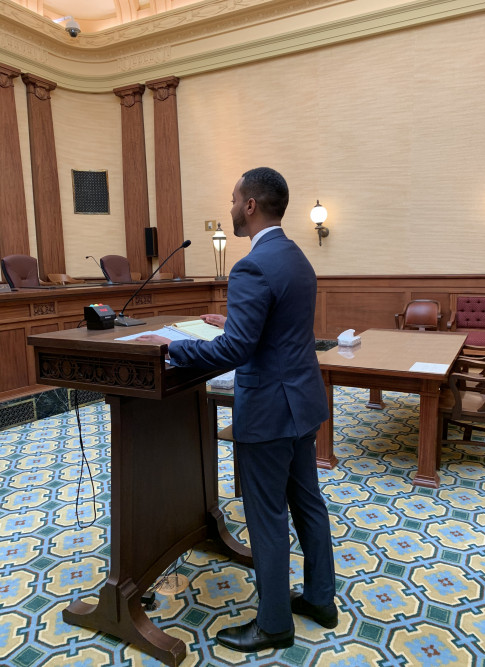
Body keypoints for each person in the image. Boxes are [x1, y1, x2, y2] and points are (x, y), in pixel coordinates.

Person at [136, 167, 337, 652]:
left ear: (250, 205)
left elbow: (235, 352)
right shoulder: (293, 256)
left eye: (233, 200)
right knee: (307, 503)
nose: (229, 208)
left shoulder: (251, 265)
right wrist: (231, 320)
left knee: (266, 516)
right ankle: (319, 600)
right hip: (302, 405)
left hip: (268, 411)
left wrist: (171, 347)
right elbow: (281, 325)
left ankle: (273, 626)